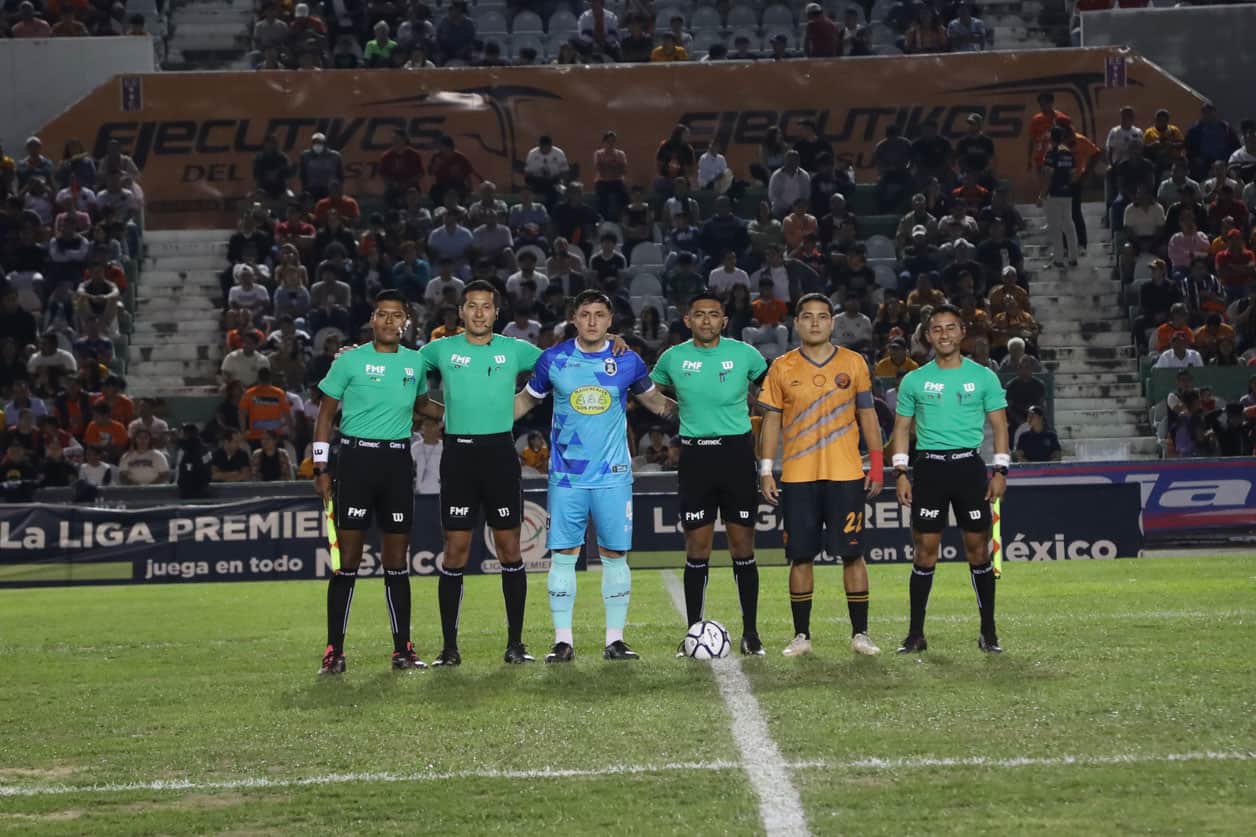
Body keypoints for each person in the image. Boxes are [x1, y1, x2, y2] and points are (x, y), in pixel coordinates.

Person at [514, 290, 675, 662]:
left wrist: (702, 416)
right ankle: (563, 642)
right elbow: (525, 400)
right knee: (564, 555)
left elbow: (656, 403)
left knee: (615, 555)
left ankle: (615, 641)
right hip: (567, 477)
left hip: (613, 476)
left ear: (610, 320)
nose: (591, 321)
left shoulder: (627, 360)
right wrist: (483, 422)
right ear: (573, 318)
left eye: (599, 314)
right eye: (584, 314)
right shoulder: (554, 360)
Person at [415, 281, 552, 665]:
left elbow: (558, 362)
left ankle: (515, 644)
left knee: (510, 549)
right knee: (455, 552)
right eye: (472, 306)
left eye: (486, 306)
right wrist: (439, 411)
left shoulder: (514, 349)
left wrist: (526, 401)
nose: (479, 312)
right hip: (459, 456)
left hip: (500, 456)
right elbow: (400, 367)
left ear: (496, 313)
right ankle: (449, 649)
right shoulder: (441, 349)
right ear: (461, 312)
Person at [312, 291, 437, 675]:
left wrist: (468, 410)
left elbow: (423, 406)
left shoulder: (415, 362)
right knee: (347, 562)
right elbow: (325, 415)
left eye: (396, 315)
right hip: (356, 462)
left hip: (397, 462)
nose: (388, 321)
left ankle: (403, 650)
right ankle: (334, 651)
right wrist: (320, 468)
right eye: (382, 314)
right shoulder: (349, 360)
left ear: (406, 322)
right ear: (372, 319)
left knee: (397, 562)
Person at [757, 293, 885, 658]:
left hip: (846, 474)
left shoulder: (853, 363)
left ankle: (860, 633)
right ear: (796, 323)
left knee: (853, 555)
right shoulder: (781, 367)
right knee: (800, 557)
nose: (815, 322)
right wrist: (766, 470)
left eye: (822, 316)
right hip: (798, 477)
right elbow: (771, 422)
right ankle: (801, 635)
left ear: (832, 323)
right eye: (808, 317)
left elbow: (868, 416)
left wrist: (877, 466)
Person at [651, 293, 770, 655]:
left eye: (714, 315)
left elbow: (771, 393)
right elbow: (648, 393)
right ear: (688, 320)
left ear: (724, 320)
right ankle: (692, 633)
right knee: (697, 548)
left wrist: (763, 418)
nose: (706, 321)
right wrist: (677, 411)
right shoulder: (672, 358)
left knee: (742, 546)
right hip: (696, 459)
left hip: (737, 456)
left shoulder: (746, 354)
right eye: (699, 315)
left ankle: (751, 634)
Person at [891, 303, 1010, 655]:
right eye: (937, 329)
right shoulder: (914, 380)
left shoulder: (984, 376)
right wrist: (901, 472)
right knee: (925, 552)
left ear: (962, 333)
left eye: (950, 327)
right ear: (928, 336)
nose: (944, 334)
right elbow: (901, 429)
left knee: (979, 550)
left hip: (968, 468)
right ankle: (916, 635)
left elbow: (1000, 426)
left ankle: (988, 633)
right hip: (929, 469)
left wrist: (1001, 470)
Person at [1040, 126, 1079, 268]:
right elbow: (1073, 174)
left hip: (1054, 194)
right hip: (1067, 193)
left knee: (1055, 227)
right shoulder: (1068, 153)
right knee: (1069, 225)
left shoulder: (1051, 153)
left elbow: (1048, 176)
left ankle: (1058, 259)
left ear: (1051, 138)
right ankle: (1073, 257)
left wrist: (1042, 194)